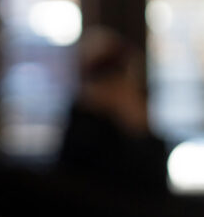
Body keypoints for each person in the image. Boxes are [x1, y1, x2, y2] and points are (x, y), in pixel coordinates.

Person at [58, 26, 170, 194]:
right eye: (102, 75)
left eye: (118, 73)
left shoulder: (134, 118)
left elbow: (155, 186)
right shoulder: (82, 129)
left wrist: (137, 128)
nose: (113, 84)